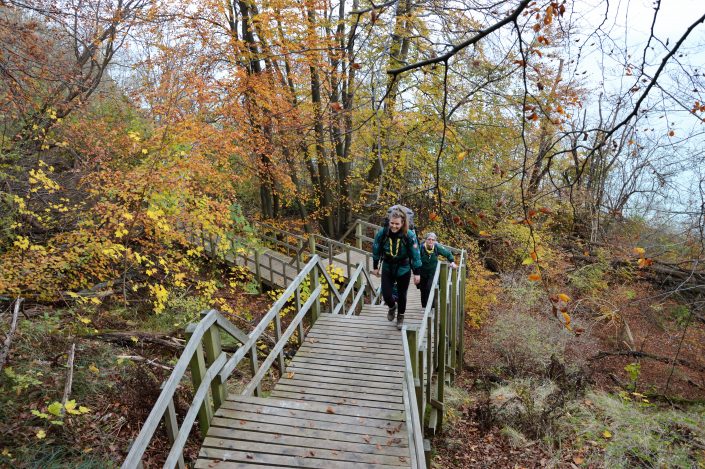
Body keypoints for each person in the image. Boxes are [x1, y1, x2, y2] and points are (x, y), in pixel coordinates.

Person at [371, 207, 422, 330]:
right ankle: (392, 307)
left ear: (403, 223)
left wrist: (417, 273)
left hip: (403, 267)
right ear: (389, 221)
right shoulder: (383, 233)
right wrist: (375, 266)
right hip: (388, 266)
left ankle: (400, 316)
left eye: (397, 224)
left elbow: (415, 254)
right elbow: (376, 248)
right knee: (386, 294)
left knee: (402, 294)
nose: (394, 226)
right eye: (392, 223)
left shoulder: (409, 235)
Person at [417, 232, 457, 308]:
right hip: (422, 272)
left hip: (432, 272)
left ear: (435, 241)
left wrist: (452, 262)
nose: (431, 241)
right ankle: (424, 307)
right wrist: (415, 272)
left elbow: (448, 253)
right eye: (429, 239)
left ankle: (431, 308)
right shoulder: (421, 248)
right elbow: (415, 258)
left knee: (430, 288)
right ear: (426, 240)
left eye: (433, 240)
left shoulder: (437, 247)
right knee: (423, 290)